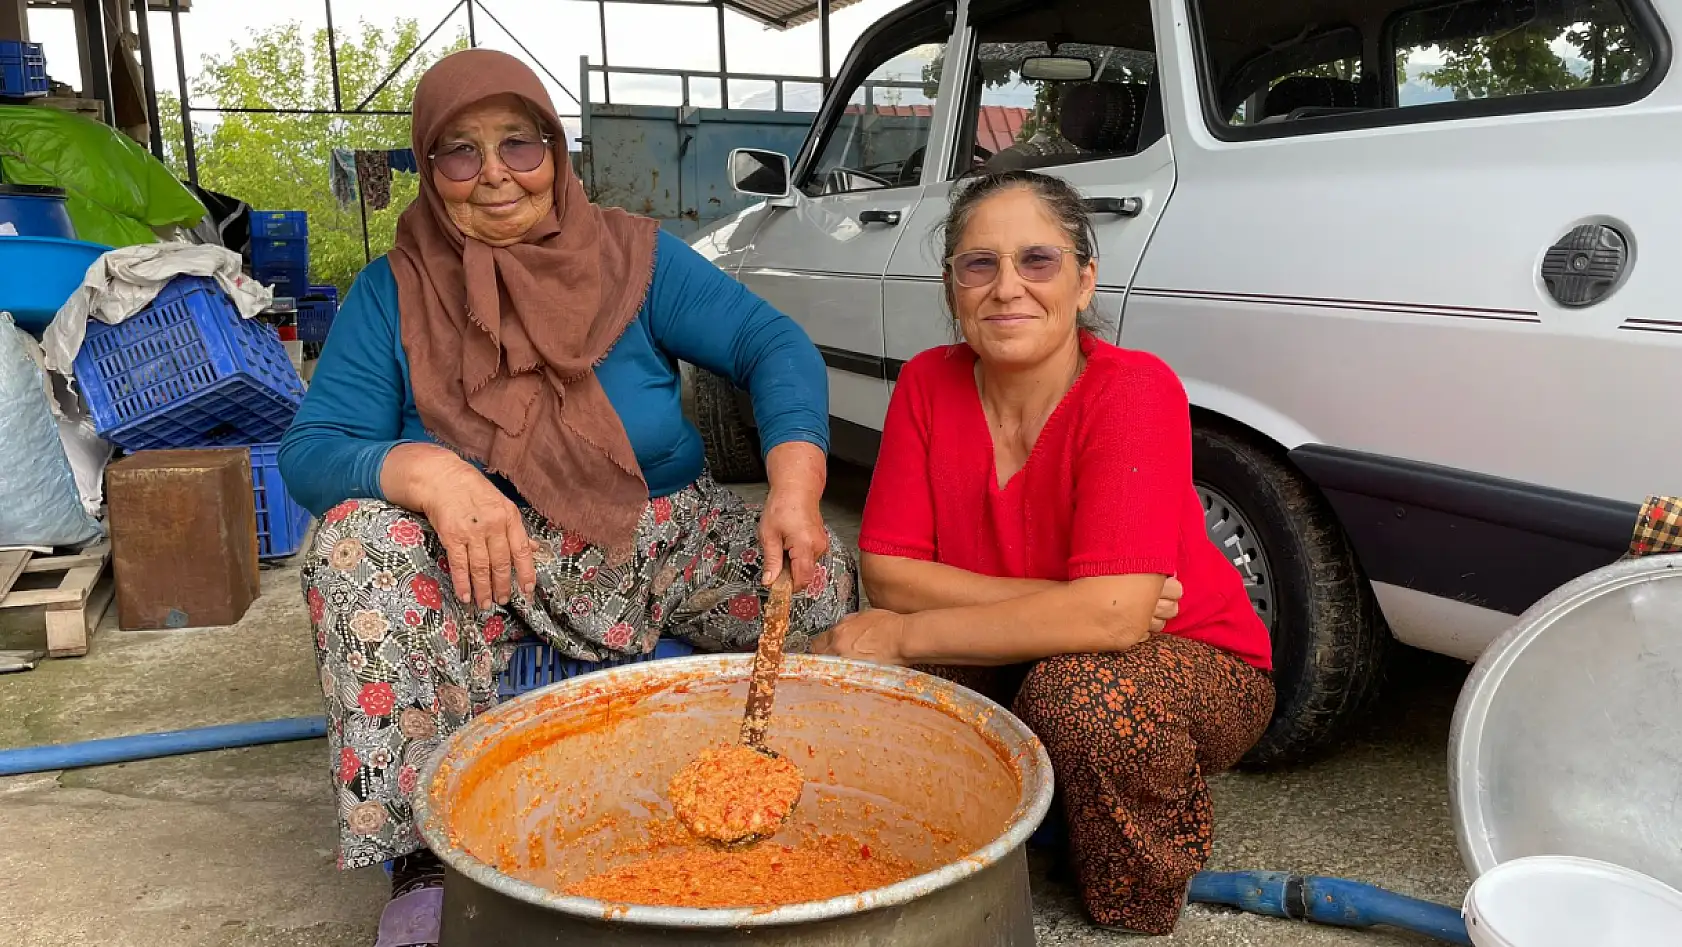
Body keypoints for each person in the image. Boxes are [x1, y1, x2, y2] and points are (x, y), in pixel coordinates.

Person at [277, 48, 855, 945]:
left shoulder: (634, 257)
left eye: (520, 143)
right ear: (428, 167)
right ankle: (425, 856)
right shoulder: (393, 291)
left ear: (555, 150)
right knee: (357, 548)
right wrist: (431, 472)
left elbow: (772, 345)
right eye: (460, 151)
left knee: (819, 579)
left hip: (659, 545)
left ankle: (756, 782)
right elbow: (313, 449)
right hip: (487, 569)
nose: (495, 174)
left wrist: (795, 482)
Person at [811, 169, 1275, 936]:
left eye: (1038, 260)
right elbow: (890, 573)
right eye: (979, 264)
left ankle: (1135, 894)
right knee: (870, 688)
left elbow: (1116, 622)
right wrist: (1075, 605)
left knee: (1078, 697)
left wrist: (905, 633)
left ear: (1084, 281)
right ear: (953, 286)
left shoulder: (1135, 390)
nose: (1007, 287)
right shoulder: (928, 382)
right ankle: (993, 832)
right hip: (1055, 638)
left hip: (1195, 655)